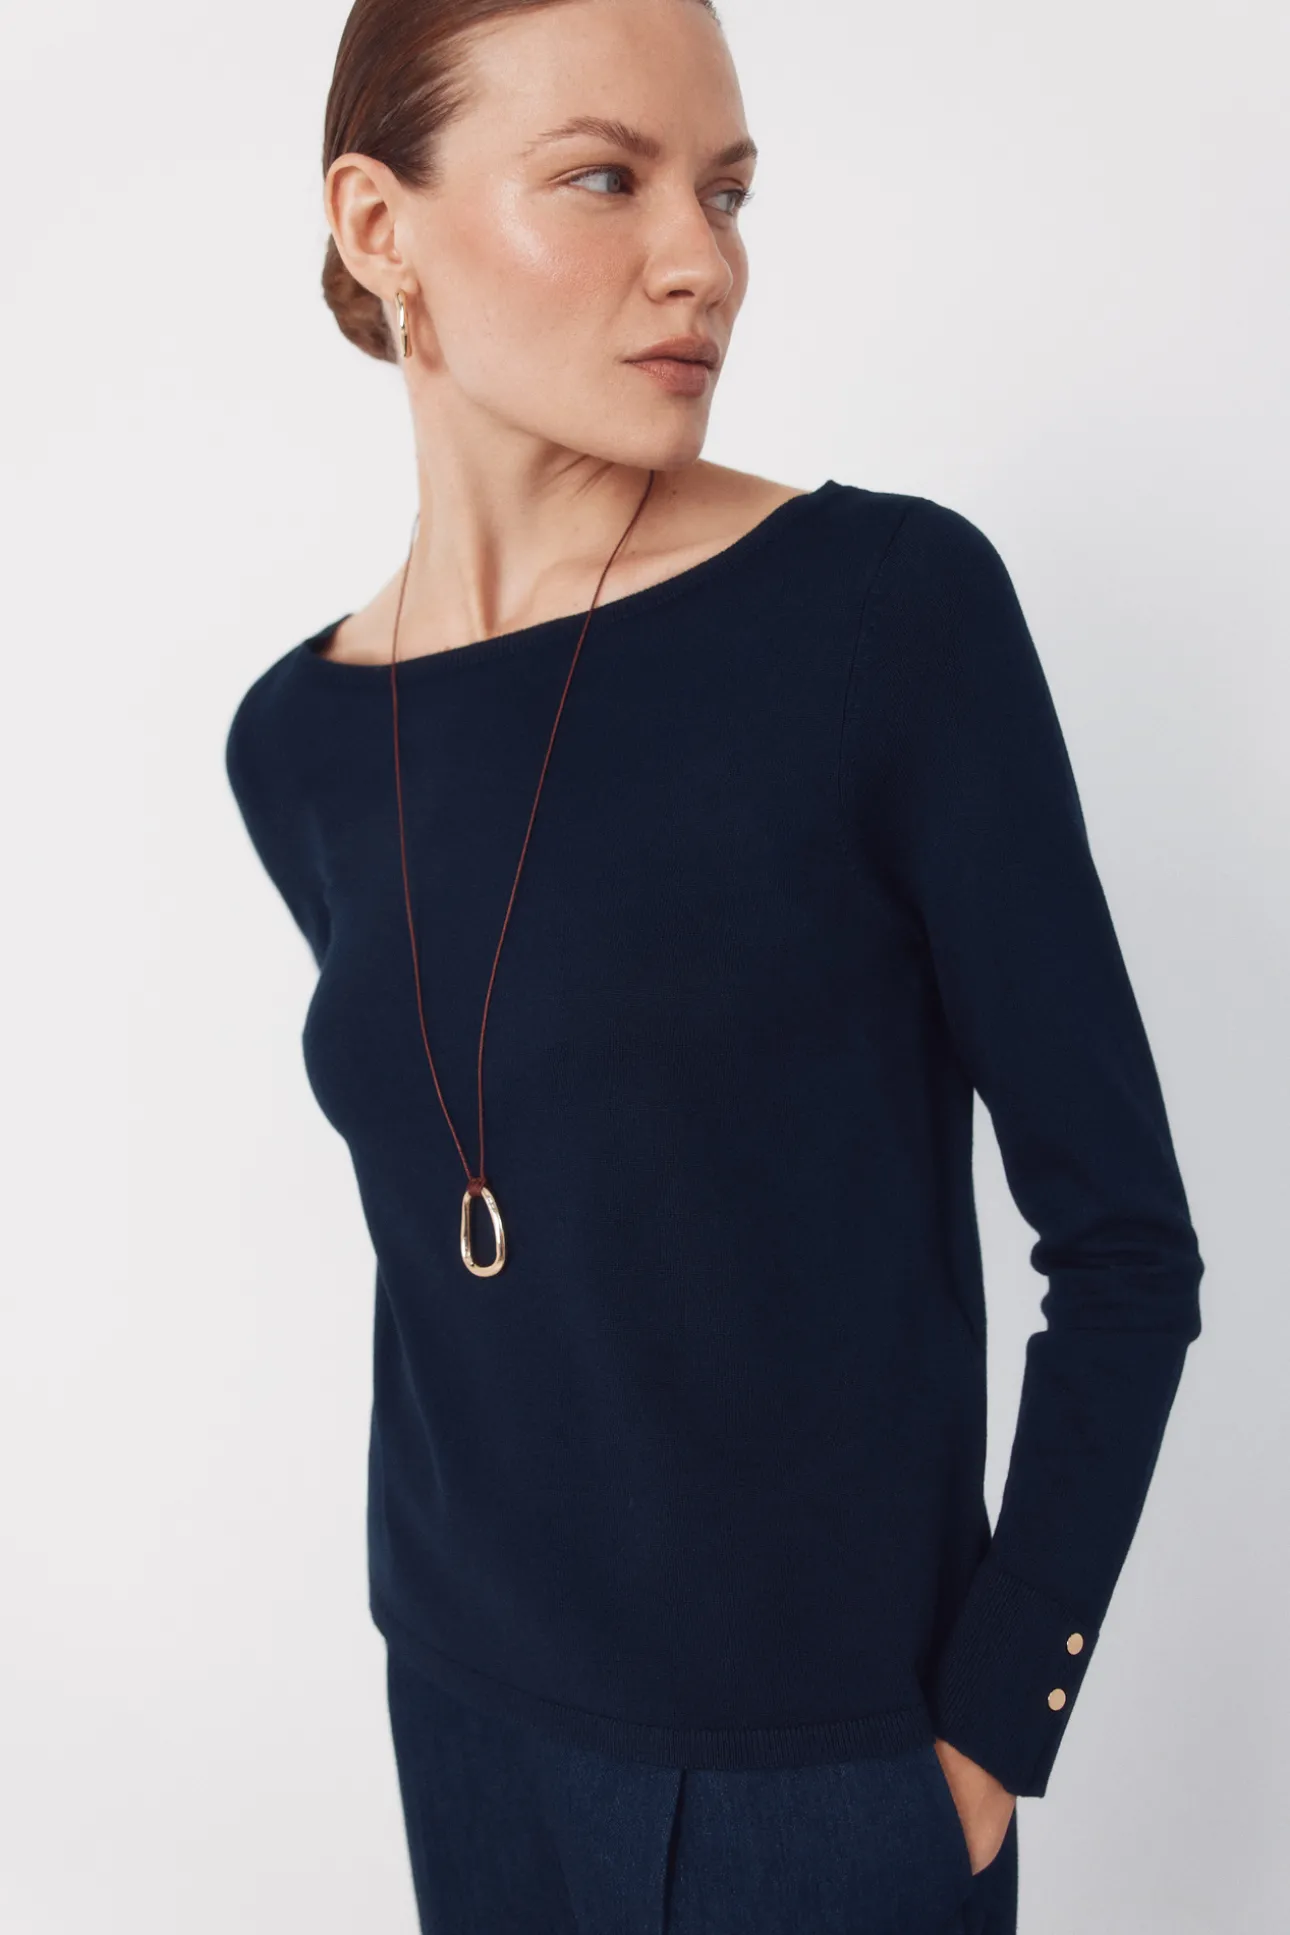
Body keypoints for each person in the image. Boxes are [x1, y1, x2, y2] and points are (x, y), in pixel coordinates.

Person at [222, 1, 1204, 1929]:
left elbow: (1122, 1243)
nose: (703, 261)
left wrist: (992, 1723)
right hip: (464, 1717)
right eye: (606, 177)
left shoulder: (886, 614)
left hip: (829, 1775)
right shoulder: (300, 743)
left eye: (727, 191)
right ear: (378, 224)